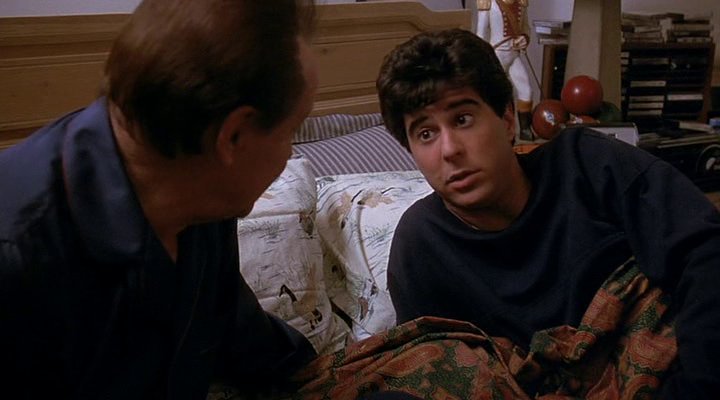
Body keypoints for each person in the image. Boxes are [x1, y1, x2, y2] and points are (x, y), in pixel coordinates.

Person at [376, 28, 720, 398]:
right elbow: (433, 371)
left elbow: (706, 253)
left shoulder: (589, 163)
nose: (449, 150)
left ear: (508, 120)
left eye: (462, 119)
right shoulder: (420, 245)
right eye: (425, 134)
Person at [0, 0, 319, 398]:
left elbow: (246, 340)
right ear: (233, 136)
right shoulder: (20, 255)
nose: (291, 153)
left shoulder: (202, 195)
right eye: (292, 131)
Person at [476, 0, 535, 141]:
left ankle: (525, 129)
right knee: (501, 93)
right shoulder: (488, 3)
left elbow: (525, 28)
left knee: (526, 90)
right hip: (497, 55)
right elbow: (480, 35)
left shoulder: (521, 3)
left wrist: (524, 39)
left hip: (514, 55)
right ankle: (501, 130)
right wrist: (483, 57)